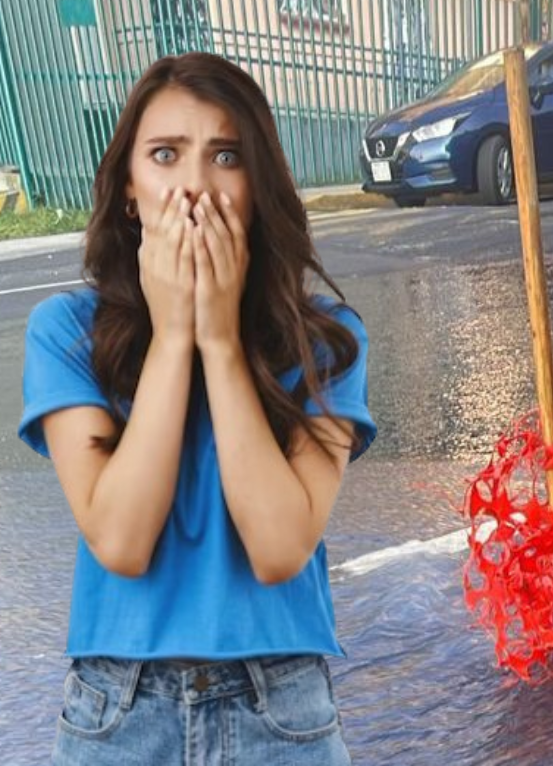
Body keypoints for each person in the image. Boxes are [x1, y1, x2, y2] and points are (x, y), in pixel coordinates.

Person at [19, 52, 376, 765]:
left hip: (283, 709)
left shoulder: (326, 339)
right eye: (163, 155)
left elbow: (279, 549)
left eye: (225, 155)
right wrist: (174, 334)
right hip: (117, 712)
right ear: (129, 189)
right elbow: (120, 539)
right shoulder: (65, 330)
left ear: (258, 183)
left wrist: (218, 338)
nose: (193, 186)